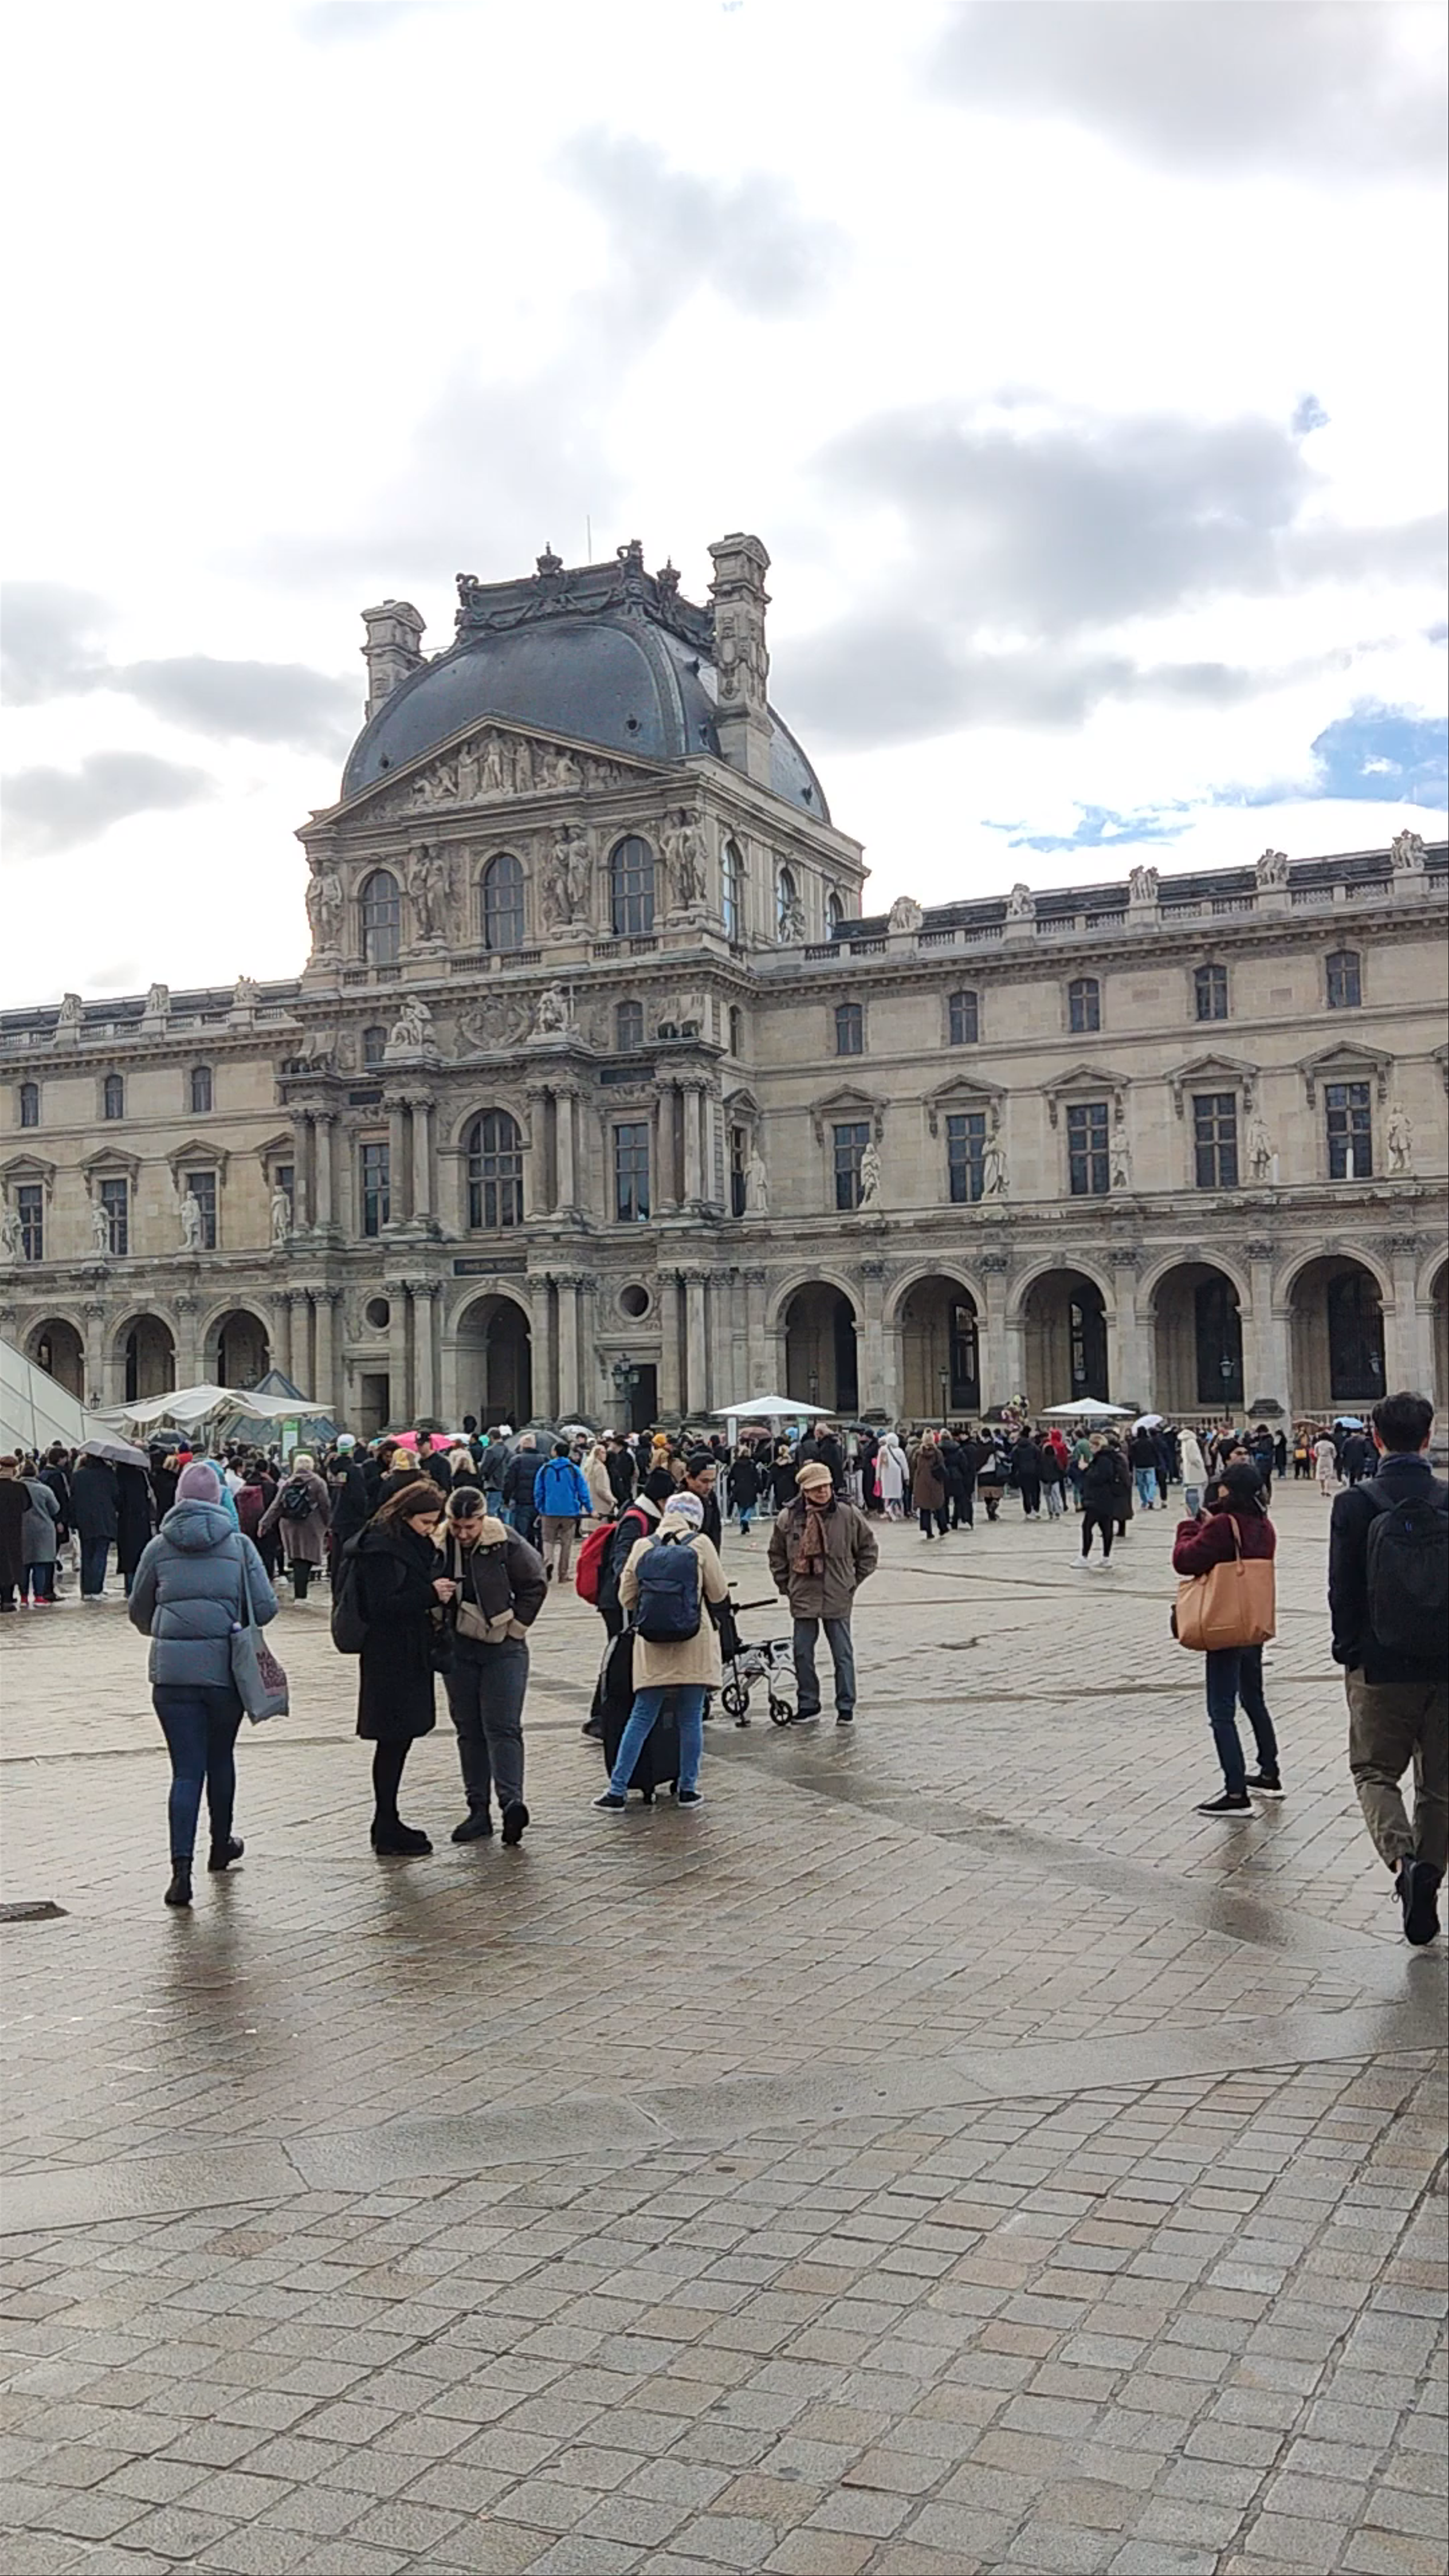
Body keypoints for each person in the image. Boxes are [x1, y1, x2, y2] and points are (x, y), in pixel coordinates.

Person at [127, 1460, 278, 1908]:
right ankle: (220, 1845)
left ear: (178, 1498)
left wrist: (165, 1631)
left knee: (185, 1771)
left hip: (172, 1678)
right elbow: (266, 1608)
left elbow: (138, 1609)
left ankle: (180, 1872)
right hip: (225, 1674)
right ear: (219, 1498)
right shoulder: (240, 1545)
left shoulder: (159, 1546)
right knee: (220, 1757)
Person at [1329, 1390, 1447, 1945]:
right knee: (1440, 1784)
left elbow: (1342, 1588)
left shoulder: (1355, 1504)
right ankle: (1431, 1877)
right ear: (1428, 1436)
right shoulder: (1447, 1498)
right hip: (1445, 1662)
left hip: (1378, 1664)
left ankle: (1404, 1864)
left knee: (1374, 1771)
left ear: (1376, 1438)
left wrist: (1349, 1650)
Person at [593, 1491, 728, 1809]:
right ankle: (688, 1789)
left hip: (652, 1641)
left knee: (642, 1715)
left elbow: (626, 1597)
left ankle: (617, 1790)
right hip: (694, 1639)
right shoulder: (701, 1544)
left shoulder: (644, 1545)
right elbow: (719, 1592)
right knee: (690, 1716)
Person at [351, 1479, 455, 1855]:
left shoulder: (406, 1542)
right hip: (390, 1656)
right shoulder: (382, 1548)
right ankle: (386, 1823)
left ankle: (388, 1820)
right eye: (425, 1522)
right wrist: (430, 1594)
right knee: (392, 1739)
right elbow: (381, 1605)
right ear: (406, 1515)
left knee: (399, 1739)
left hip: (409, 1652)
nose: (430, 1529)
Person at [439, 1486, 547, 1846]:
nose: (462, 1534)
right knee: (469, 1729)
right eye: (456, 1526)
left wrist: (516, 1627)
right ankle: (478, 1810)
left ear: (483, 1520)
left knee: (503, 1727)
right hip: (459, 1646)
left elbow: (535, 1583)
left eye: (469, 1527)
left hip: (504, 1648)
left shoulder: (505, 1541)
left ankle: (512, 1804)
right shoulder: (440, 1542)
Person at [1172, 1463, 1281, 1816]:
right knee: (1254, 1698)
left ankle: (1236, 1791)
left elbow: (1185, 1560)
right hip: (1252, 1621)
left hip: (1225, 1622)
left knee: (1221, 1710)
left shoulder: (1223, 1525)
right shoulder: (1264, 1525)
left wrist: (1190, 1526)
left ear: (1228, 1490)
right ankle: (1269, 1771)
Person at [769, 1459, 878, 1725]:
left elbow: (869, 1550)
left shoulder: (848, 1514)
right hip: (803, 1593)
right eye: (816, 1488)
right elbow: (777, 1555)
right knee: (802, 1652)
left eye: (826, 1486)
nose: (823, 1492)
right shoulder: (789, 1517)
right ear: (805, 1490)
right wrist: (787, 1586)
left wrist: (852, 1581)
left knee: (843, 1654)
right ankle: (808, 1704)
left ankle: (846, 1706)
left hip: (837, 1593)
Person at [259, 1452, 331, 1601]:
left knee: (298, 1558)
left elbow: (277, 1506)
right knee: (307, 1557)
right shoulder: (318, 1482)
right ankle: (301, 1594)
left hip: (290, 1525)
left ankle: (300, 1593)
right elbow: (325, 1506)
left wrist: (264, 1523)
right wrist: (329, 1524)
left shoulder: (288, 1483)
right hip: (311, 1525)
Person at [534, 1438, 592, 1582]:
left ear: (555, 1452)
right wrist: (589, 1508)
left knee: (548, 1540)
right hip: (570, 1511)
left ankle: (548, 1562)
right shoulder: (574, 1469)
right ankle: (563, 1574)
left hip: (549, 1510)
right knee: (567, 1543)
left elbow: (538, 1490)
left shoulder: (545, 1469)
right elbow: (583, 1491)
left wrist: (541, 1508)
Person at [71, 1447, 119, 1598]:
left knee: (87, 1554)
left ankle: (87, 1590)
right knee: (100, 1554)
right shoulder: (108, 1474)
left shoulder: (78, 1475)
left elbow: (73, 1498)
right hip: (104, 1518)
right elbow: (116, 1495)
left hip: (84, 1519)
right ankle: (97, 1589)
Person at [1079, 1436, 1126, 1566]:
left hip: (1098, 1499)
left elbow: (1100, 1478)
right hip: (1105, 1499)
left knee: (1088, 1527)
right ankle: (1105, 1558)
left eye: (1092, 1446)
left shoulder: (1103, 1460)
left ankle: (1085, 1557)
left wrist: (1086, 1469)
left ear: (1098, 1445)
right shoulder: (1107, 1458)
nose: (1091, 1449)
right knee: (1106, 1528)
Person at [20, 1461, 60, 1603]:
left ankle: (23, 1597)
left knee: (24, 1565)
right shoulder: (44, 1490)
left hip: (22, 1529)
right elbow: (55, 1508)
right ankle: (39, 1596)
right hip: (43, 1531)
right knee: (41, 1564)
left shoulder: (17, 1489)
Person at [115, 1459, 155, 1597]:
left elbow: (118, 1499)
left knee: (127, 1555)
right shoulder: (141, 1475)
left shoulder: (117, 1476)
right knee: (140, 1555)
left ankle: (129, 1588)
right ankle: (138, 1588)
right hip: (141, 1520)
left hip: (124, 1520)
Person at [0, 1457, 28, 1612]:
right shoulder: (19, 1488)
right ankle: (7, 1599)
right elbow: (27, 1506)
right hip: (13, 1530)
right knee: (11, 1563)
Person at [503, 1432, 542, 1541]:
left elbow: (509, 1482)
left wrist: (506, 1499)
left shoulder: (516, 1460)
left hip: (521, 1501)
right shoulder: (543, 1460)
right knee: (538, 1533)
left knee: (521, 1534)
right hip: (539, 1502)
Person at [681, 1451, 723, 1549]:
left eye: (713, 1481)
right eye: (704, 1481)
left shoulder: (711, 1497)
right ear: (689, 1478)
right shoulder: (680, 1502)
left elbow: (716, 1531)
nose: (709, 1487)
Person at [875, 1430, 908, 1521]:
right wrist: (907, 1477)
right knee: (897, 1493)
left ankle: (888, 1510)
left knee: (887, 1494)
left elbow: (879, 1464)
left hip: (885, 1475)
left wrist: (878, 1476)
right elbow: (905, 1465)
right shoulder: (900, 1451)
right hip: (897, 1475)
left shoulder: (883, 1450)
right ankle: (894, 1510)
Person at [1129, 1422, 1160, 1513]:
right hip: (1150, 1465)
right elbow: (1156, 1453)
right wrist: (1158, 1463)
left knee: (1141, 1485)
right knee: (1151, 1483)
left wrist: (1131, 1467)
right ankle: (1151, 1498)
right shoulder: (1151, 1442)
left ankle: (1144, 1501)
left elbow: (1131, 1456)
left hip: (1139, 1466)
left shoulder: (1134, 1444)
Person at [1179, 1425, 1209, 1518]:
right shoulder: (1192, 1442)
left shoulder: (1185, 1441)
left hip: (1189, 1472)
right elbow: (1194, 1458)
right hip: (1195, 1472)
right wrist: (1201, 1466)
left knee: (1192, 1492)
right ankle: (1196, 1513)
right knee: (1198, 1495)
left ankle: (1193, 1512)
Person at [1012, 1432, 1043, 1519]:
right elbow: (1039, 1459)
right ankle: (1035, 1509)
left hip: (1022, 1473)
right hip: (1034, 1472)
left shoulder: (1017, 1448)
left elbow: (1014, 1461)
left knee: (1025, 1493)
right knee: (1035, 1491)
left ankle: (1028, 1510)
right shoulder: (1034, 1447)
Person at [975, 1438, 1006, 1524]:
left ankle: (990, 1512)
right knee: (997, 1493)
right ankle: (994, 1504)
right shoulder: (994, 1450)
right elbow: (1004, 1457)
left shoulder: (978, 1450)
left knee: (987, 1495)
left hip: (982, 1475)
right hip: (993, 1474)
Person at [583, 1440, 615, 1521]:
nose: (605, 1455)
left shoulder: (588, 1467)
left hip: (589, 1505)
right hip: (600, 1505)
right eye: (603, 1453)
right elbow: (601, 1489)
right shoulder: (600, 1468)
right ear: (597, 1454)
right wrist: (613, 1500)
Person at [1038, 1433, 1066, 1520]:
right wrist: (1063, 1474)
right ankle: (1057, 1511)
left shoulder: (1041, 1460)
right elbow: (1060, 1468)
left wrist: (1041, 1477)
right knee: (1056, 1496)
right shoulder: (1055, 1459)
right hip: (1055, 1480)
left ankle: (1050, 1512)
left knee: (1048, 1496)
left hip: (1045, 1480)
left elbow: (1039, 1470)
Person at [1314, 1430, 1340, 1496]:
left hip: (1321, 1459)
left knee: (1321, 1475)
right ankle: (1327, 1490)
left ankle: (1322, 1490)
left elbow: (1316, 1454)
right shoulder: (1331, 1444)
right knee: (1328, 1476)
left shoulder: (1318, 1444)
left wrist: (1318, 1457)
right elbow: (1334, 1454)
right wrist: (1333, 1458)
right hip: (1329, 1459)